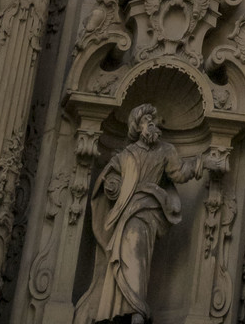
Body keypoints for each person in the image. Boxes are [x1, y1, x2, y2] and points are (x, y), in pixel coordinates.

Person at [75, 103, 222, 324]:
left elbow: (180, 173)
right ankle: (125, 309)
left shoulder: (166, 151)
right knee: (124, 259)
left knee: (137, 256)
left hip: (148, 212)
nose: (151, 123)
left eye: (152, 119)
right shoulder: (126, 155)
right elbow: (111, 178)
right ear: (136, 127)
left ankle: (137, 309)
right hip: (126, 213)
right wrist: (112, 185)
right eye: (145, 120)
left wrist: (203, 162)